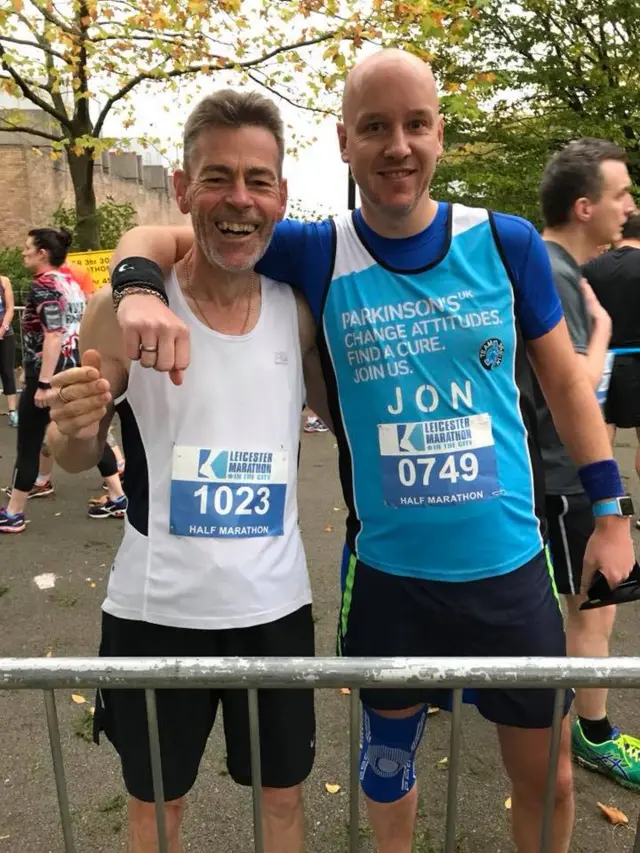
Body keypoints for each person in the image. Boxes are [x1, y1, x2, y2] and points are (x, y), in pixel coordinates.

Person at [106, 51, 635, 853]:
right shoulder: (316, 251)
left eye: (416, 125)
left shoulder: (506, 242)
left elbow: (566, 384)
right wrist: (140, 286)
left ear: (439, 136)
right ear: (344, 141)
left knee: (552, 775)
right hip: (390, 582)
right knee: (388, 774)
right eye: (376, 127)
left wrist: (610, 513)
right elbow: (157, 226)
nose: (399, 146)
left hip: (510, 574)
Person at [46, 90, 329, 853]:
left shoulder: (297, 309)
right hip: (154, 612)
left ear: (281, 195)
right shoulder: (127, 308)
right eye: (217, 177)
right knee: (158, 810)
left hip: (275, 611)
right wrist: (71, 429)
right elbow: (76, 452)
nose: (239, 199)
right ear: (181, 188)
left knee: (281, 802)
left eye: (258, 180)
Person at [537, 140, 640, 790]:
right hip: (567, 478)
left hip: (565, 476)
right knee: (598, 606)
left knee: (592, 605)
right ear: (584, 206)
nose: (630, 208)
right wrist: (601, 332)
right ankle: (594, 733)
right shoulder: (555, 272)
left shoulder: (555, 267)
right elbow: (576, 385)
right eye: (622, 194)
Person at [0, 229, 86, 533]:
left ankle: (14, 513)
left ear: (42, 253)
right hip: (71, 365)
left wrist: (44, 382)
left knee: (28, 442)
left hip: (50, 374)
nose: (22, 252)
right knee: (83, 431)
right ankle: (117, 494)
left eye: (27, 248)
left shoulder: (43, 286)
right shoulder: (70, 283)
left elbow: (52, 334)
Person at [584, 210, 640, 527]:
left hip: (601, 358)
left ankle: (604, 507)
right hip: (639, 358)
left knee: (601, 435)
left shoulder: (592, 266)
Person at [0, 274, 18, 427]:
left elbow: (10, 308)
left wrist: (3, 328)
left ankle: (12, 411)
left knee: (7, 371)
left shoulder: (4, 281)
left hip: (5, 334)